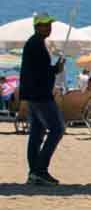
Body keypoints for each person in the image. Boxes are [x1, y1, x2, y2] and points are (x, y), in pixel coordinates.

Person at [21, 14, 66, 185]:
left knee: (37, 133)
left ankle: (34, 173)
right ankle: (40, 170)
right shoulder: (36, 44)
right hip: (40, 95)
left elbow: (37, 70)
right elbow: (40, 72)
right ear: (36, 26)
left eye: (49, 24)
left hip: (33, 94)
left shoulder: (35, 43)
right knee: (57, 129)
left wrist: (55, 68)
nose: (48, 27)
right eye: (44, 25)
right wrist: (56, 69)